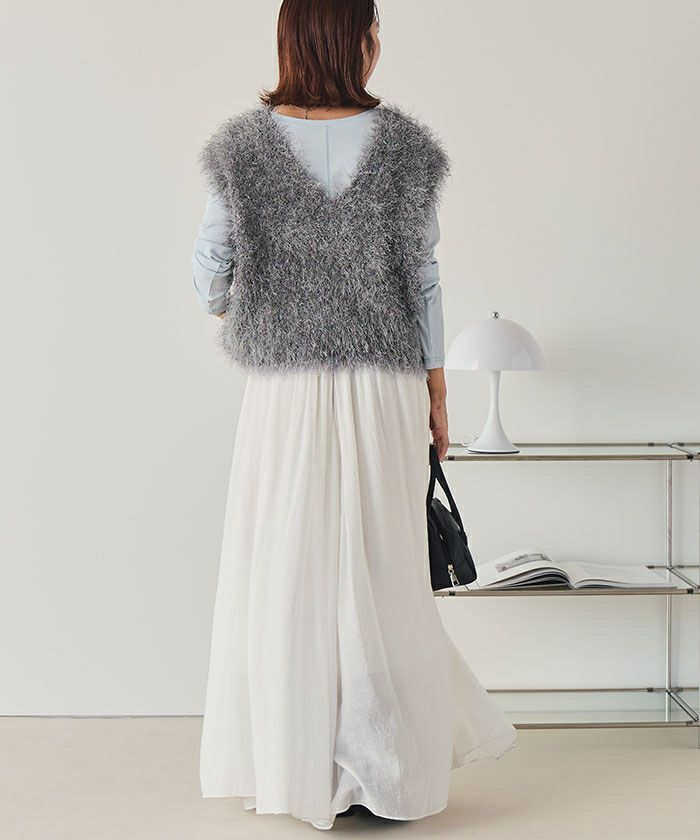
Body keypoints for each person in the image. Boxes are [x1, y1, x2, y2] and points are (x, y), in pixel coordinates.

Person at [191, 0, 516, 831]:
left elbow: (210, 276)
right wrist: (438, 392)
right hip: (384, 385)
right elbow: (424, 278)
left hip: (285, 391)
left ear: (291, 39)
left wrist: (264, 303)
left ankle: (296, 766)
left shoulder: (241, 148)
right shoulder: (405, 148)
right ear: (361, 40)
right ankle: (383, 772)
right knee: (381, 570)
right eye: (375, 31)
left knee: (286, 567)